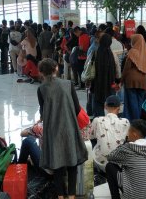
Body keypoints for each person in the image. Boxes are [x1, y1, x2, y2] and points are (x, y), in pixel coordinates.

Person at [37, 58, 87, 199]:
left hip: (53, 130)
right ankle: (71, 196)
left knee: (57, 164)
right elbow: (77, 108)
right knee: (72, 163)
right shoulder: (68, 84)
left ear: (42, 72)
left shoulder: (41, 89)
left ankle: (60, 196)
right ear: (56, 69)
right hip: (69, 127)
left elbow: (43, 112)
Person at [106, 119, 146, 199]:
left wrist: (124, 145)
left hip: (134, 196)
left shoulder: (128, 148)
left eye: (129, 131)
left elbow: (110, 157)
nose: (127, 134)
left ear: (134, 134)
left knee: (109, 166)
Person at [90, 95, 129, 172]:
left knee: (93, 140)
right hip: (119, 164)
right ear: (119, 107)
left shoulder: (97, 120)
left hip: (101, 163)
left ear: (105, 106)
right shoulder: (126, 121)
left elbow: (90, 137)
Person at [121, 34, 146, 121]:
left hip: (131, 81)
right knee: (139, 103)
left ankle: (133, 122)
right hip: (143, 81)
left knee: (131, 103)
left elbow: (126, 68)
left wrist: (121, 80)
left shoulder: (132, 52)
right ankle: (138, 122)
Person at [91, 33, 119, 117]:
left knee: (98, 104)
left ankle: (99, 122)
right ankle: (110, 123)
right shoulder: (112, 54)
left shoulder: (95, 53)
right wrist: (118, 81)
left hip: (97, 84)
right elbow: (117, 69)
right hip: (110, 84)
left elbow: (90, 69)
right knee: (111, 104)